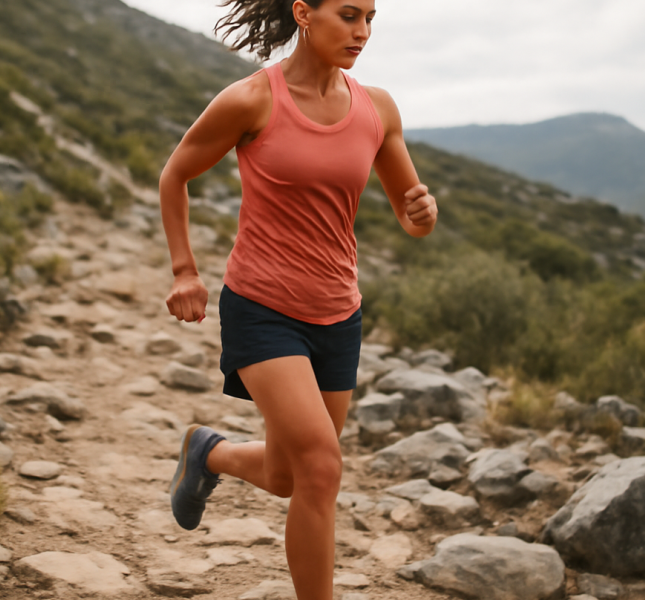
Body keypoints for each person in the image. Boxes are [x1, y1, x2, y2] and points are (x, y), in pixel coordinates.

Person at [160, 1, 436, 598]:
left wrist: (422, 212)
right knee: (322, 468)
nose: (362, 31)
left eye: (369, 17)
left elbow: (410, 215)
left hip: (339, 316)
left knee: (289, 476)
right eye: (347, 15)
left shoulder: (377, 108)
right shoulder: (253, 100)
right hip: (261, 309)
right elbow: (175, 172)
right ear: (304, 14)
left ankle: (209, 453)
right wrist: (185, 270)